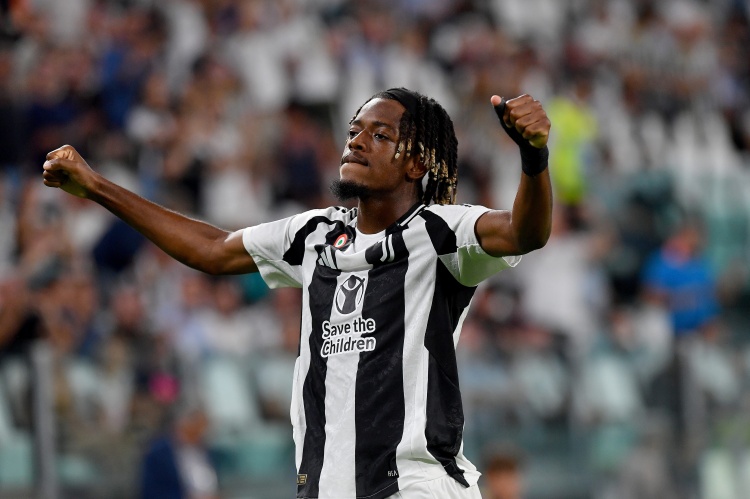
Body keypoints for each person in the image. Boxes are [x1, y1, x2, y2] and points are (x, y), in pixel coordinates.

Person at [42, 88, 552, 499]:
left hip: (416, 484)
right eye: (353, 131)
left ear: (416, 163)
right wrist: (97, 187)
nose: (357, 142)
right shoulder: (314, 235)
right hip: (326, 486)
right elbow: (212, 249)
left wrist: (533, 157)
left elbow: (524, 232)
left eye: (379, 135)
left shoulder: (441, 231)